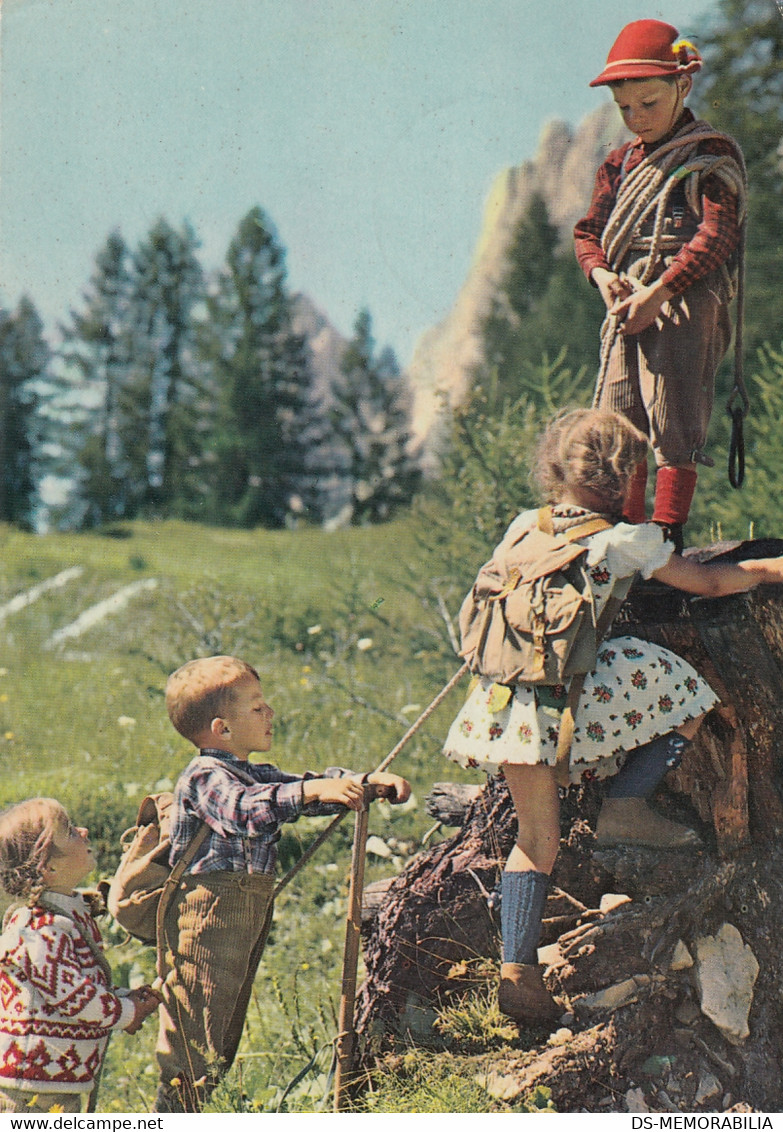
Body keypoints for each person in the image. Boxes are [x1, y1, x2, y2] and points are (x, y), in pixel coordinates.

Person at [443, 408, 783, 1027]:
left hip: (505, 704)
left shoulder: (525, 526)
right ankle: (627, 802)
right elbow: (706, 582)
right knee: (687, 693)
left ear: (556, 471)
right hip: (570, 698)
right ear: (627, 479)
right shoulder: (623, 539)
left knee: (534, 840)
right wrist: (770, 568)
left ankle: (517, 967)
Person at [153, 654, 410, 1113]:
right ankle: (175, 1112)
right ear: (222, 729)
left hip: (241, 912)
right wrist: (313, 792)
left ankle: (200, 1105)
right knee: (196, 1030)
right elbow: (242, 811)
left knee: (224, 1026)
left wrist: (363, 784)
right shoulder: (206, 776)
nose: (269, 713)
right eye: (256, 707)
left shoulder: (252, 772)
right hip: (205, 917)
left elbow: (302, 786)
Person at [573, 19, 746, 550]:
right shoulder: (620, 164)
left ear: (682, 86)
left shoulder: (707, 157)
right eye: (626, 109)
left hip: (683, 302)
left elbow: (716, 236)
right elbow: (588, 233)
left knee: (674, 416)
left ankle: (666, 535)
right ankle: (627, 534)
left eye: (648, 104)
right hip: (628, 303)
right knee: (619, 419)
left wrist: (660, 293)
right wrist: (603, 276)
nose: (636, 119)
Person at [0, 799, 161, 1113]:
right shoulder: (41, 931)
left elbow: (77, 988)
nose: (84, 831)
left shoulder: (67, 917)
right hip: (28, 1092)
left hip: (50, 1082)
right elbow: (75, 998)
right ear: (49, 867)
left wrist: (129, 997)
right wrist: (128, 1011)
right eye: (71, 831)